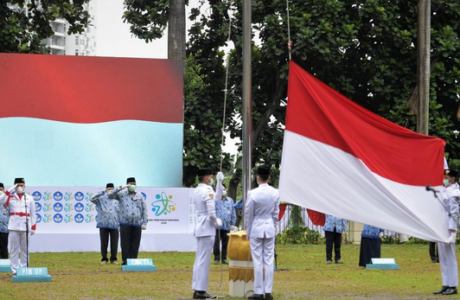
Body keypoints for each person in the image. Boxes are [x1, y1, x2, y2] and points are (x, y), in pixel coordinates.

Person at [245, 165, 280, 300]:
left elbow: (249, 214)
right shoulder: (275, 192)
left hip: (256, 227)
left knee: (258, 260)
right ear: (269, 177)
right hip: (269, 226)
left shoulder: (252, 193)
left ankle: (258, 291)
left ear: (257, 177)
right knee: (269, 260)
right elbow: (276, 213)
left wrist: (248, 230)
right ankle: (268, 291)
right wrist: (274, 226)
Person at [192, 168, 223, 299]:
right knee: (203, 261)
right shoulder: (207, 190)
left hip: (200, 226)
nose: (211, 179)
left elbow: (217, 197)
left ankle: (197, 288)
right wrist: (217, 222)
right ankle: (200, 290)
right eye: (211, 177)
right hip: (207, 227)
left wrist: (220, 183)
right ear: (206, 178)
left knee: (199, 260)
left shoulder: (197, 190)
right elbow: (211, 211)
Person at [108, 177, 148, 266]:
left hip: (137, 223)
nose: (132, 186)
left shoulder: (139, 195)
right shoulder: (121, 194)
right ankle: (125, 261)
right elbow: (109, 195)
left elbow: (144, 209)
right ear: (127, 185)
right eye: (130, 184)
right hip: (125, 223)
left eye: (134, 184)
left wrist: (144, 222)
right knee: (125, 243)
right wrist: (121, 187)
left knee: (135, 243)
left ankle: (133, 261)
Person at [0, 178, 36, 275]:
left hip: (26, 226)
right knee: (14, 249)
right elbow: (0, 199)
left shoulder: (29, 198)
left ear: (25, 186)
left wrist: (33, 227)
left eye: (22, 185)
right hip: (14, 226)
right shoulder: (10, 197)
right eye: (18, 185)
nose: (20, 187)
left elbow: (33, 213)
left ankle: (24, 269)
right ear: (15, 186)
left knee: (25, 249)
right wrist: (11, 189)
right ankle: (15, 270)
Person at [433, 169, 459, 296]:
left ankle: (453, 285)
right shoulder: (444, 190)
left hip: (449, 227)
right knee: (442, 257)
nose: (444, 178)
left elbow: (454, 214)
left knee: (450, 257)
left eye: (446, 176)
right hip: (441, 226)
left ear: (452, 179)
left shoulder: (454, 193)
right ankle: (446, 283)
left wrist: (453, 233)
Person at [91, 183, 120, 265]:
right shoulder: (101, 198)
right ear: (106, 189)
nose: (110, 190)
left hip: (114, 223)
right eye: (109, 189)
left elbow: (120, 211)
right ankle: (104, 259)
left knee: (114, 242)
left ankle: (113, 259)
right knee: (104, 242)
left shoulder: (117, 199)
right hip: (103, 223)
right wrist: (102, 192)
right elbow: (92, 199)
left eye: (112, 189)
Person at [214, 184, 236, 265]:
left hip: (227, 226)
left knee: (225, 243)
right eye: (221, 190)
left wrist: (233, 223)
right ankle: (216, 258)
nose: (223, 191)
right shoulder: (216, 200)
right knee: (216, 242)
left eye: (224, 189)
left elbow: (233, 212)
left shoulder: (230, 200)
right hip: (217, 226)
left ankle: (224, 258)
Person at [0, 183, 9, 259]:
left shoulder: (7, 203)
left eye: (1, 190)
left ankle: (4, 262)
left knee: (3, 246)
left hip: (4, 229)